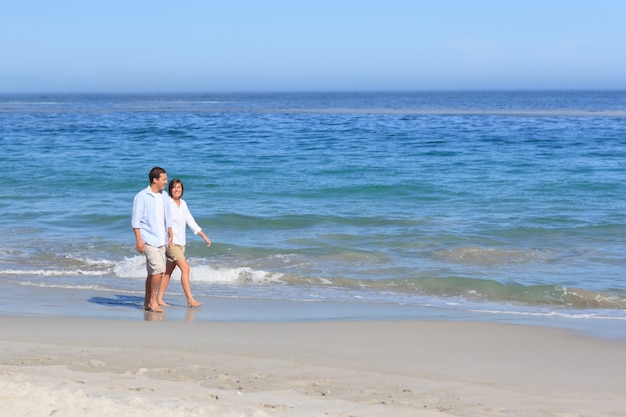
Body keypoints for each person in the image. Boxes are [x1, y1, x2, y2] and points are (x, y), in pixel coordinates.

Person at [157, 178, 211, 308]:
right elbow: (160, 221)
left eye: (179, 188)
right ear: (170, 189)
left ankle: (158, 298)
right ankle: (190, 300)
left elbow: (190, 221)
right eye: (174, 187)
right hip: (171, 243)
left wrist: (203, 235)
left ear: (182, 190)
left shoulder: (183, 204)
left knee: (168, 271)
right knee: (186, 268)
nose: (177, 190)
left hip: (181, 244)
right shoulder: (167, 203)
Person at [131, 167, 173, 313]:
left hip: (162, 240)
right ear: (155, 180)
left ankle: (147, 302)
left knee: (152, 273)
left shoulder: (164, 196)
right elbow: (135, 221)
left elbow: (167, 217)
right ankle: (153, 301)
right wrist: (139, 240)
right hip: (148, 239)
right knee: (158, 270)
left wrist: (170, 232)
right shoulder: (141, 196)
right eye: (164, 179)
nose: (166, 182)